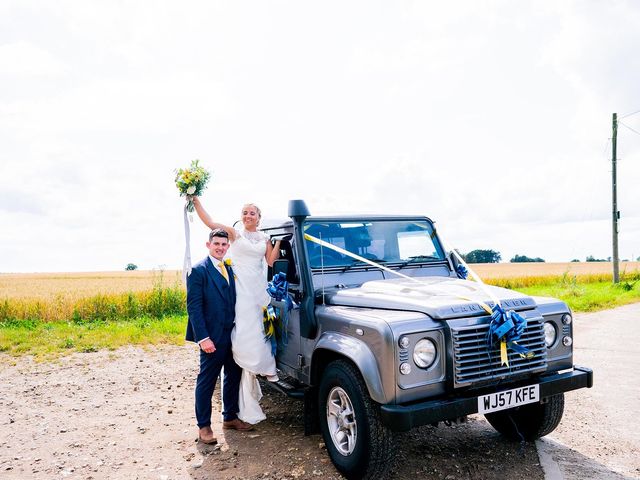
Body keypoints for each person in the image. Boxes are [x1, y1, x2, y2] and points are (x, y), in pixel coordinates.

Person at [191, 196, 281, 425]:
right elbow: (210, 222)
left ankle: (259, 368)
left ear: (259, 218)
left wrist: (278, 241)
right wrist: (195, 198)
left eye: (252, 213)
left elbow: (270, 261)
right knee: (241, 328)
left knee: (254, 333)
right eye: (245, 212)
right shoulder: (233, 234)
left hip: (257, 286)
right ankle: (205, 425)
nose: (248, 216)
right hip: (239, 290)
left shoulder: (265, 237)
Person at [185, 228, 254, 444]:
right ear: (208, 245)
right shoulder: (198, 271)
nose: (220, 248)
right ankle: (204, 426)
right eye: (216, 244)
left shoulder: (230, 267)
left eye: (224, 245)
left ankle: (230, 418)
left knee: (233, 376)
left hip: (233, 334)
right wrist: (203, 338)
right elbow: (194, 308)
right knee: (207, 381)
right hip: (211, 337)